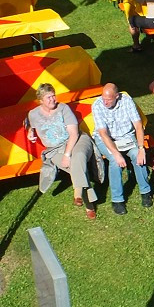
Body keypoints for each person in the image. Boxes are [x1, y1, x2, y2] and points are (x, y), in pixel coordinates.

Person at [26, 84, 99, 219]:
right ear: (40, 100)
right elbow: (29, 122)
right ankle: (88, 203)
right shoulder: (34, 114)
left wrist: (67, 154)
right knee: (78, 168)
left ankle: (78, 194)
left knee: (78, 157)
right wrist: (30, 131)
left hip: (76, 141)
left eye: (54, 95)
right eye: (49, 97)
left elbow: (73, 134)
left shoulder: (63, 108)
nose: (53, 99)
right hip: (54, 150)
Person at [91, 84, 153, 214]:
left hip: (126, 137)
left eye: (108, 99)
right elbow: (103, 134)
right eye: (103, 98)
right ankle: (117, 200)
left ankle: (145, 191)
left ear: (117, 96)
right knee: (114, 161)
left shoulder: (126, 101)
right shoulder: (97, 106)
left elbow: (138, 125)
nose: (105, 102)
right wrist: (116, 154)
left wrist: (141, 148)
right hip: (107, 139)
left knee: (137, 155)